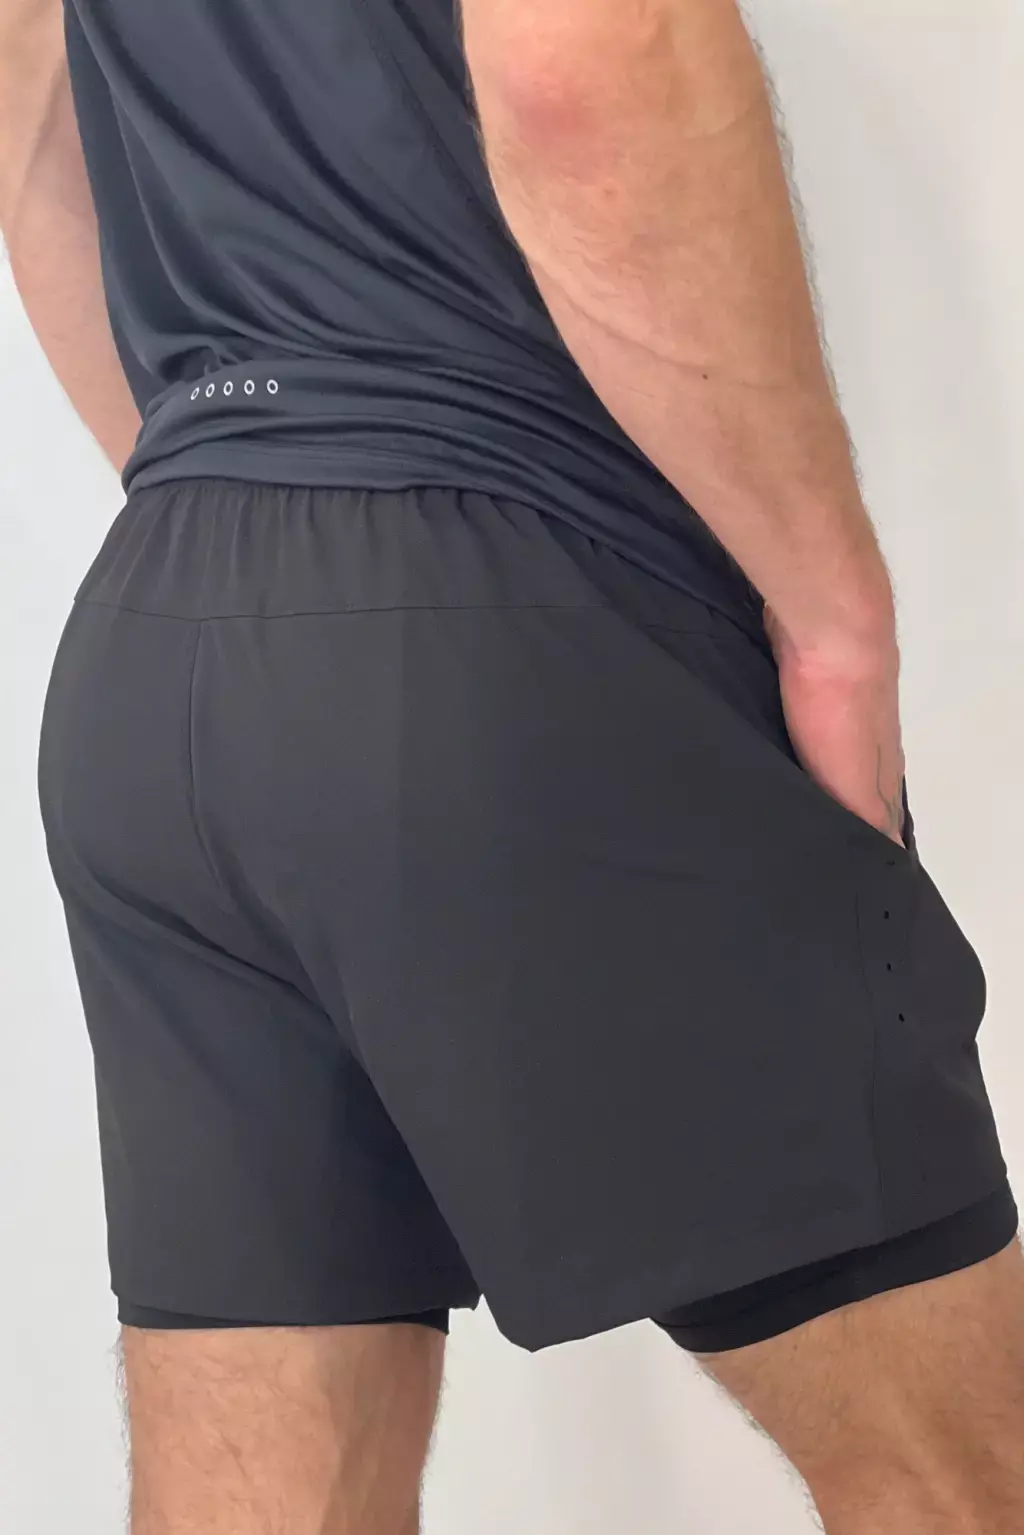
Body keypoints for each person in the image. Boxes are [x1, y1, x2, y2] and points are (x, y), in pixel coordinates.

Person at [2, 0, 1021, 1528]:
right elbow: (586, 47)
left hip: (156, 653)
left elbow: (30, 90)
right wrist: (833, 617)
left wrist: (249, 532)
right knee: (965, 1474)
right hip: (520, 607)